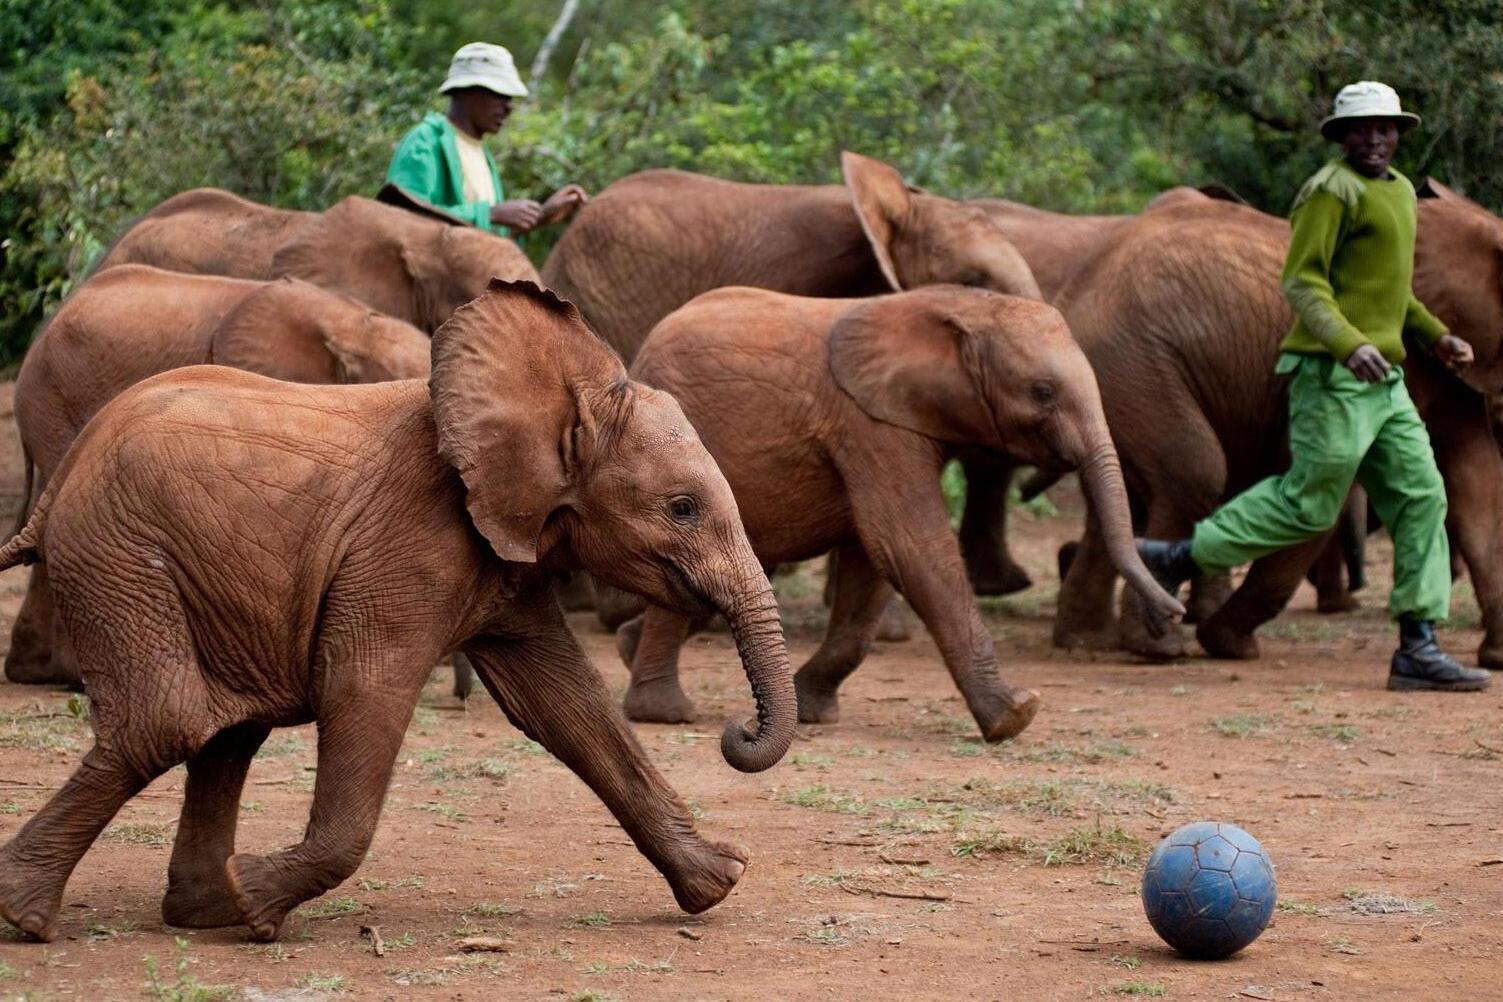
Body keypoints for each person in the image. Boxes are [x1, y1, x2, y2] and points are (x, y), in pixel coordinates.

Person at [1137, 81, 1490, 692]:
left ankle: (1417, 644)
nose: (1373, 139)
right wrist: (1347, 344)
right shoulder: (1330, 192)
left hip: (1387, 382)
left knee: (1422, 497)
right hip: (1333, 377)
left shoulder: (1402, 192)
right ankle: (1176, 559)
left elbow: (1391, 290)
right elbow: (1303, 284)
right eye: (1360, 129)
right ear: (1341, 136)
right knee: (1309, 504)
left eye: (1384, 128)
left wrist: (1437, 338)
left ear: (1399, 133)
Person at [385, 42, 587, 235]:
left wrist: (541, 215)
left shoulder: (482, 154)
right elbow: (402, 221)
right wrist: (490, 213)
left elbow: (483, 240)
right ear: (467, 91)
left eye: (510, 98)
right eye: (500, 95)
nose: (509, 107)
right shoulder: (425, 142)